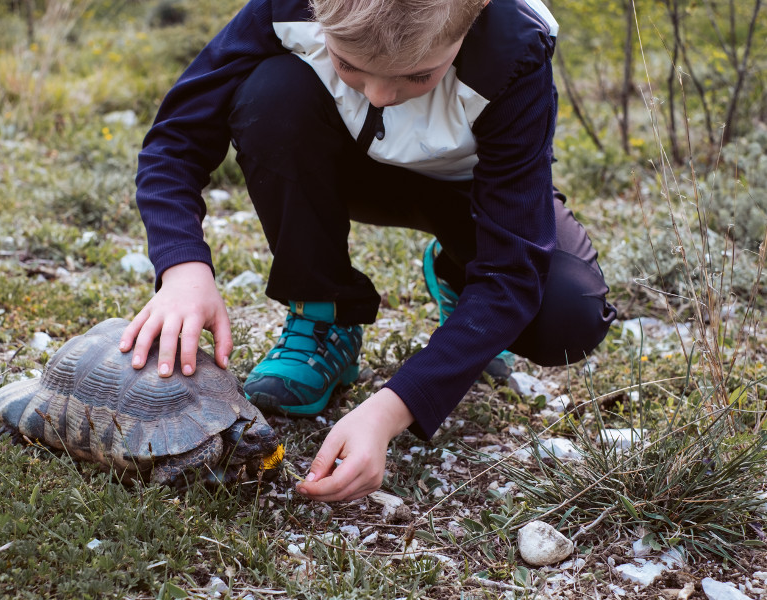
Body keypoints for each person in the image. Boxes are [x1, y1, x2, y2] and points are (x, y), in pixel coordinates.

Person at [120, 0, 617, 502]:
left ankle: (461, 274)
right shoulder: (287, 6)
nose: (380, 95)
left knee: (567, 318)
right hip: (345, 165)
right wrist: (183, 269)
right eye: (349, 65)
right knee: (269, 92)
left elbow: (513, 269)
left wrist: (392, 407)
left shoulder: (515, 45)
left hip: (473, 195)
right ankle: (324, 315)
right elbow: (175, 141)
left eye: (419, 74)